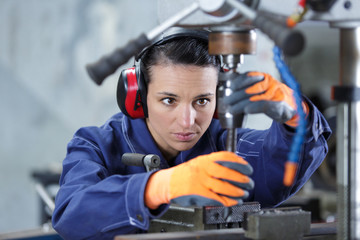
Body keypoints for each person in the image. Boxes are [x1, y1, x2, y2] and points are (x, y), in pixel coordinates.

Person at [52, 28, 331, 239]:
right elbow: (71, 214)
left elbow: (278, 170)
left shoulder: (224, 143)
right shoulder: (96, 145)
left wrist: (298, 117)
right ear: (138, 97)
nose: (188, 121)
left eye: (202, 101)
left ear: (220, 100)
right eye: (169, 101)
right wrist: (161, 186)